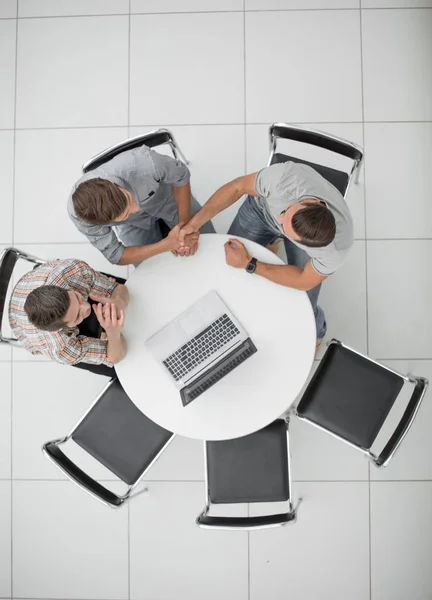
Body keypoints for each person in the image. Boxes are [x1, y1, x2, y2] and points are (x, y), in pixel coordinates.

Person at [179, 161, 354, 346]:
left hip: (305, 241)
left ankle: (317, 331)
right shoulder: (284, 179)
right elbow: (237, 187)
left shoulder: (334, 249)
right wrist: (193, 225)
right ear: (315, 203)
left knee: (304, 304)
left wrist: (249, 263)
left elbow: (303, 280)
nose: (279, 218)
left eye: (285, 230)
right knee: (229, 260)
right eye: (287, 211)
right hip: (261, 211)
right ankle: (272, 239)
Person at [68, 144, 214, 266]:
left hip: (167, 199)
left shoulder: (146, 164)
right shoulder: (82, 216)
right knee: (149, 270)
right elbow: (116, 256)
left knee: (208, 244)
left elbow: (181, 177)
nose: (136, 208)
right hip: (133, 224)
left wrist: (184, 226)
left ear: (113, 185)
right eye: (125, 213)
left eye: (127, 199)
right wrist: (166, 245)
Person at [9, 258, 129, 369]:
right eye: (77, 316)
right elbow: (116, 357)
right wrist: (113, 333)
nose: (87, 307)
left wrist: (119, 302)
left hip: (31, 282)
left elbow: (118, 288)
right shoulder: (61, 349)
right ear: (63, 328)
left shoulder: (72, 271)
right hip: (24, 328)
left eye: (78, 298)